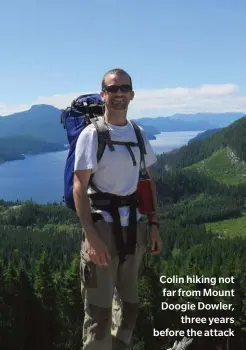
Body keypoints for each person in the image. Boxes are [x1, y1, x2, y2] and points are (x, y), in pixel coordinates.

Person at [73, 68, 162, 350]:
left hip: (133, 228)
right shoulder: (92, 135)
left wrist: (154, 224)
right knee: (99, 315)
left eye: (124, 88)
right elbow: (79, 187)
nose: (119, 93)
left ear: (132, 95)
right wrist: (91, 236)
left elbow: (146, 181)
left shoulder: (138, 133)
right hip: (102, 227)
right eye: (112, 89)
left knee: (130, 307)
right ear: (104, 95)